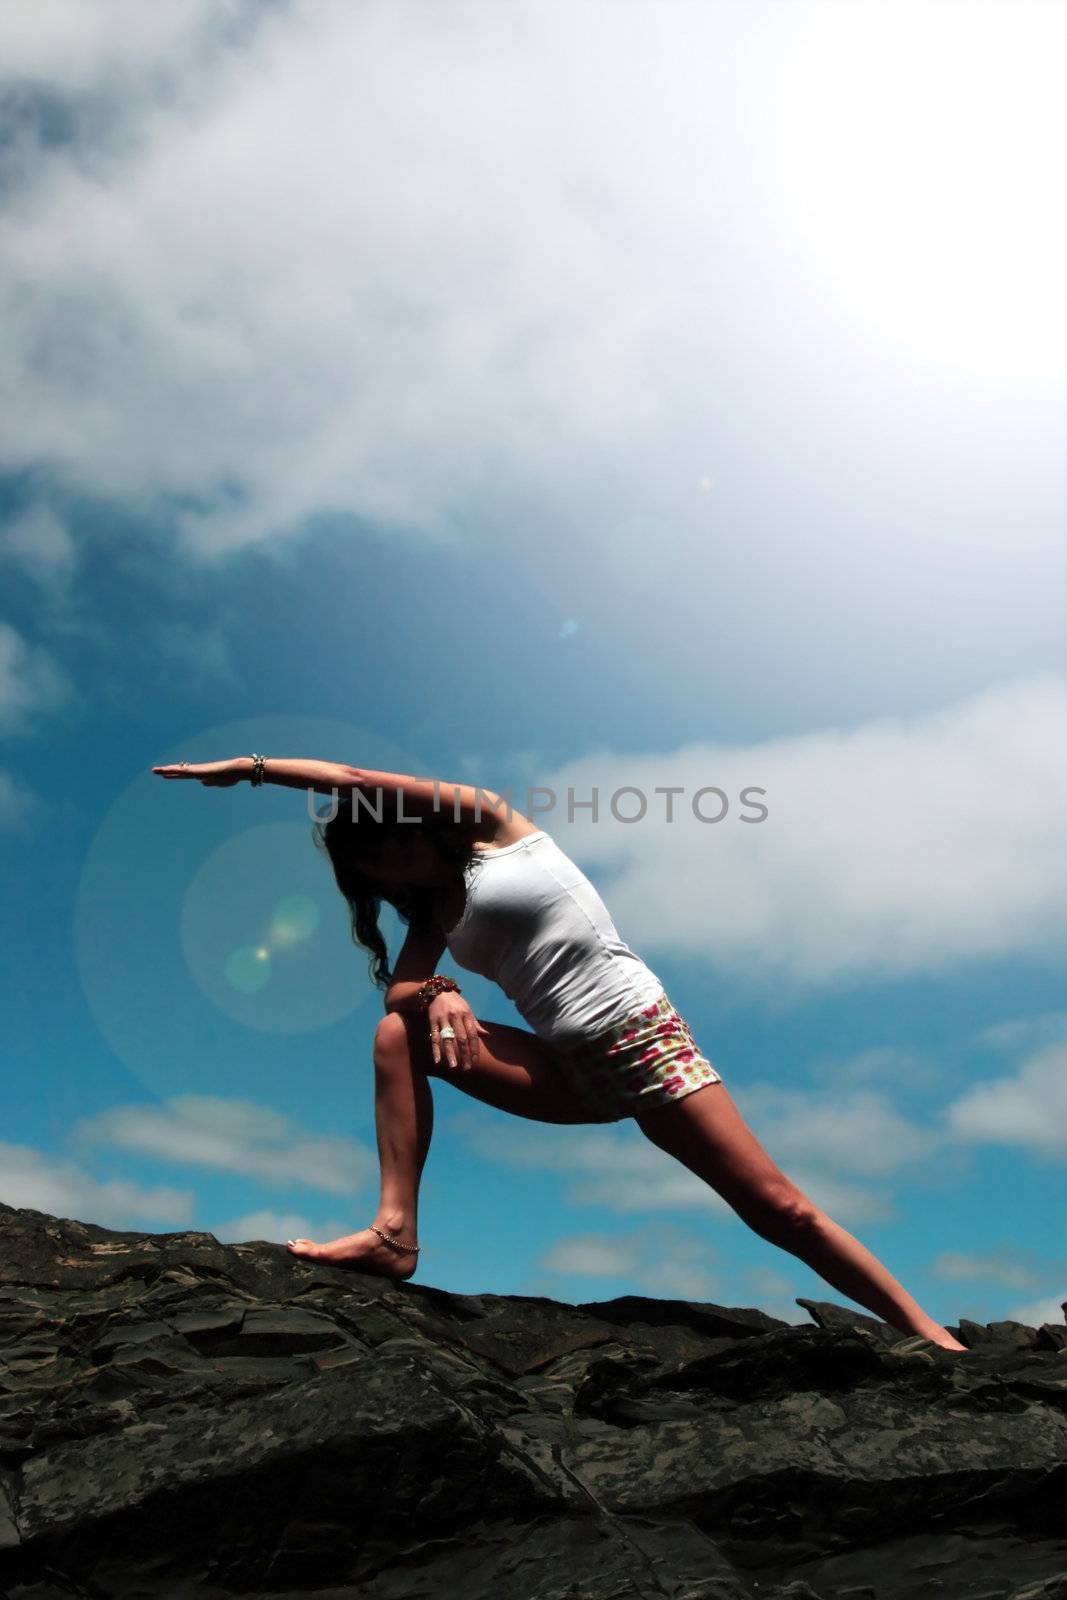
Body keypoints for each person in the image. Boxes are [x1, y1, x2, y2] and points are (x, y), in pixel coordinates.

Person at [152, 754, 968, 1351]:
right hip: (558, 1070)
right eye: (367, 862)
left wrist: (256, 770)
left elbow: (358, 781)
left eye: (387, 840)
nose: (386, 860)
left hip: (642, 1043)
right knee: (396, 1028)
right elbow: (400, 992)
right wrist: (438, 991)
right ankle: (393, 1233)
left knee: (779, 1210)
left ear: (414, 822)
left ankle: (931, 1339)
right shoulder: (432, 914)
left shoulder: (497, 827)